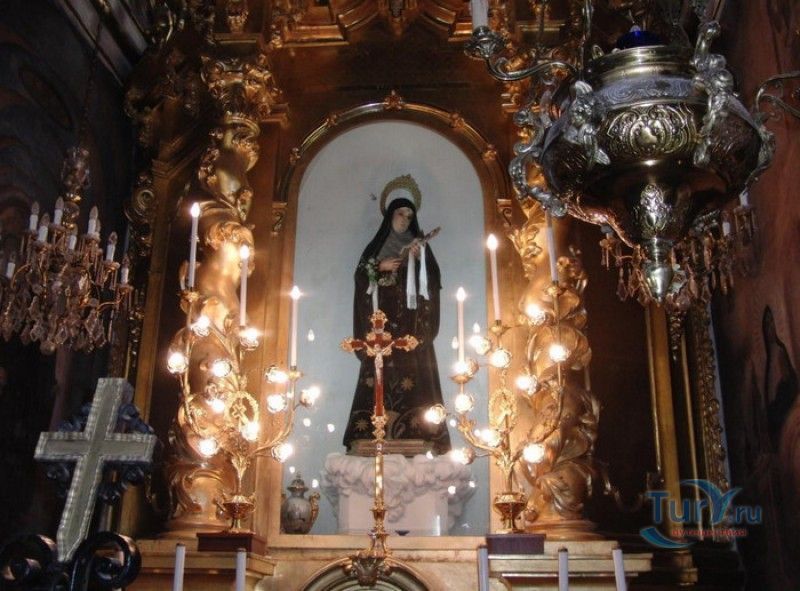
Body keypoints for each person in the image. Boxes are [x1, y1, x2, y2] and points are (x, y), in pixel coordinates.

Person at [342, 180, 450, 455]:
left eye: (410, 216)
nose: (405, 220)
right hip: (382, 329)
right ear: (390, 215)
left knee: (416, 381)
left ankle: (417, 434)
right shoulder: (375, 249)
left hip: (411, 331)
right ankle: (372, 436)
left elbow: (431, 284)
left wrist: (417, 261)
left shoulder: (419, 247)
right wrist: (380, 266)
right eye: (401, 213)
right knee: (378, 377)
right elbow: (361, 279)